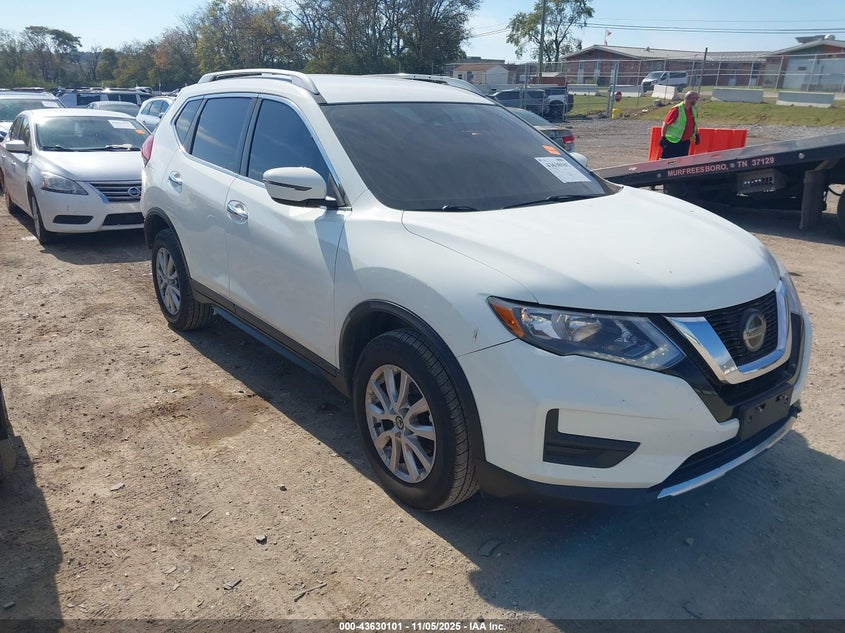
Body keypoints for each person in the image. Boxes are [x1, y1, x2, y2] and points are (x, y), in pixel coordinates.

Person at [659, 90, 700, 158]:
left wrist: (697, 134)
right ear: (688, 98)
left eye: (697, 99)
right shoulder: (677, 109)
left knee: (681, 162)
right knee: (666, 160)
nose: (696, 101)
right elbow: (665, 123)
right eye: (695, 98)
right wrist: (663, 137)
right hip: (672, 141)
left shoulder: (694, 109)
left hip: (685, 141)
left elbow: (694, 123)